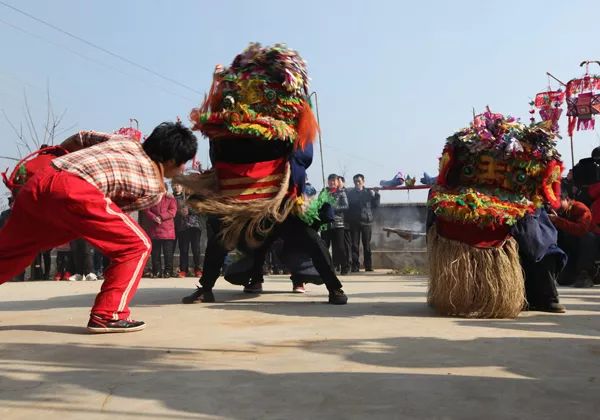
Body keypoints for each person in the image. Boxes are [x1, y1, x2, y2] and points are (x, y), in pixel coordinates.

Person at [178, 43, 347, 305]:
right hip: (240, 195)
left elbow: (304, 155)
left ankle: (334, 287)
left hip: (277, 197)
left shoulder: (289, 119)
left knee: (309, 238)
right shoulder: (229, 123)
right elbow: (217, 152)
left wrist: (288, 166)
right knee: (222, 238)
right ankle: (206, 287)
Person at [0, 122, 197, 333]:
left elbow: (82, 136)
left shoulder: (125, 141)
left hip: (39, 181)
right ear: (171, 160)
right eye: (183, 163)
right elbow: (112, 213)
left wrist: (64, 156)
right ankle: (108, 314)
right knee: (136, 245)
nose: (183, 169)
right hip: (74, 191)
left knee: (11, 251)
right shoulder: (155, 188)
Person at [550, 192, 597, 288]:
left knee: (587, 237)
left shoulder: (580, 208)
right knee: (564, 280)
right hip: (573, 249)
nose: (556, 206)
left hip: (591, 246)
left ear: (566, 199)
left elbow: (581, 230)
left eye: (558, 202)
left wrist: (558, 220)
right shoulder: (560, 213)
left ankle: (586, 272)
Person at [347, 173, 380, 272]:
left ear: (363, 182)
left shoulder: (368, 193)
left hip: (366, 222)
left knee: (367, 245)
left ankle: (368, 266)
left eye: (359, 181)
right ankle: (355, 266)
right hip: (354, 222)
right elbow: (348, 208)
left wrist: (377, 195)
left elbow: (375, 205)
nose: (357, 183)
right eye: (355, 181)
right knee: (354, 245)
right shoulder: (350, 194)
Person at [321, 174, 349, 274]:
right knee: (324, 246)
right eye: (330, 181)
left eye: (334, 181)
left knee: (340, 247)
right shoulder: (324, 192)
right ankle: (327, 267)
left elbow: (346, 206)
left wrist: (334, 207)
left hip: (338, 223)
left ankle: (344, 266)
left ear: (337, 182)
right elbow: (318, 204)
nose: (332, 183)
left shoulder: (341, 192)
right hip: (326, 223)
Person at [143, 192, 177, 278]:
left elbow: (173, 211)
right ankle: (157, 271)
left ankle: (168, 271)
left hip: (167, 230)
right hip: (154, 229)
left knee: (168, 253)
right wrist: (154, 217)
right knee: (155, 253)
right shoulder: (151, 198)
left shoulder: (170, 198)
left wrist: (161, 217)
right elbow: (147, 210)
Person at [173, 182, 203, 277]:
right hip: (182, 227)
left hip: (195, 226)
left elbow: (200, 210)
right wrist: (179, 211)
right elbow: (174, 209)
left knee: (196, 249)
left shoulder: (196, 198)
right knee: (184, 250)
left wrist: (189, 211)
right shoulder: (178, 198)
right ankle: (183, 270)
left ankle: (197, 269)